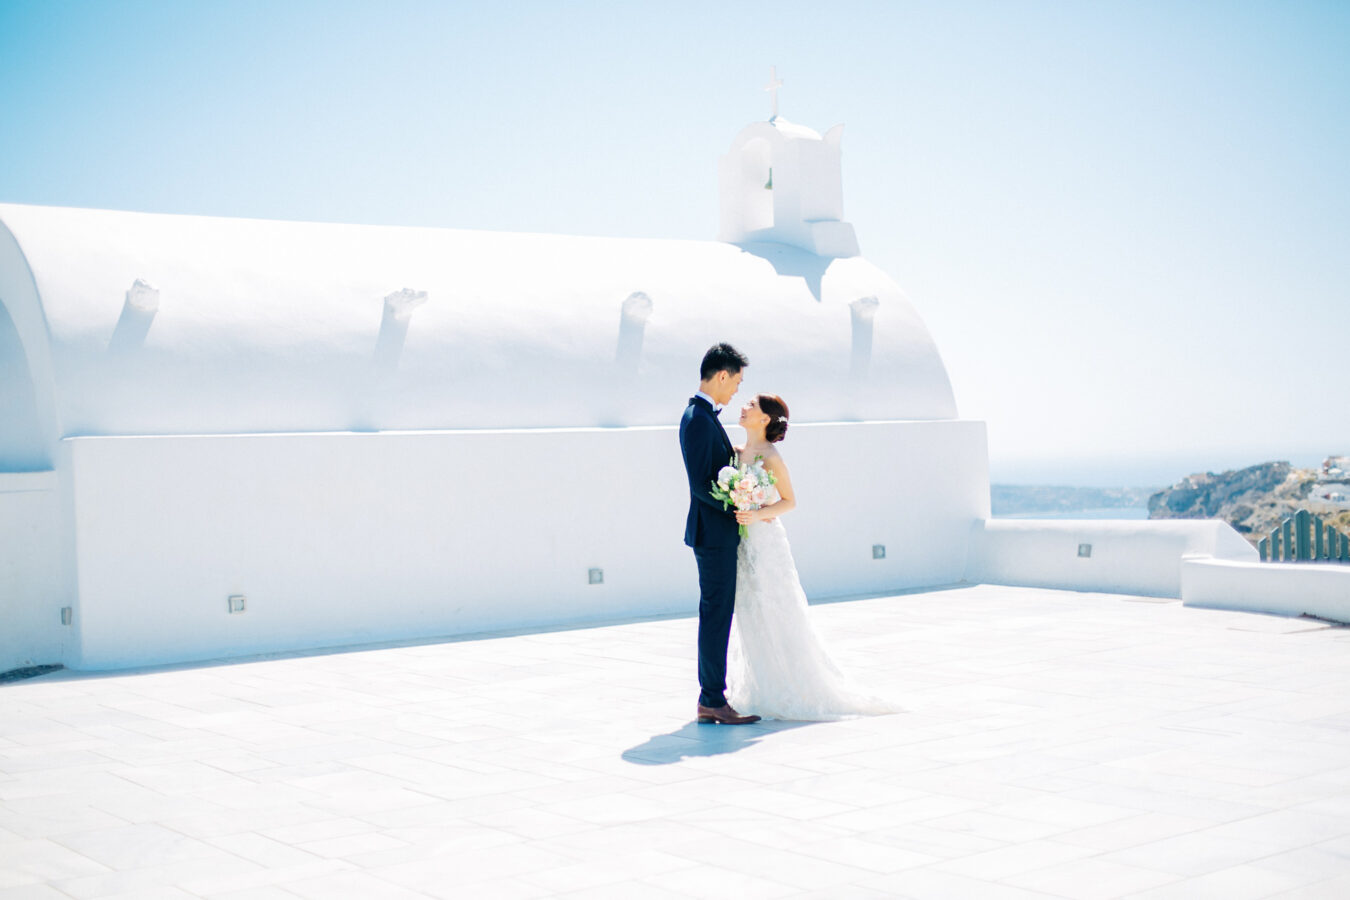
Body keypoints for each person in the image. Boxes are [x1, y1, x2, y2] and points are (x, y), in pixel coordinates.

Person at [727, 394, 899, 720]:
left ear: (765, 419)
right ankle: (762, 687)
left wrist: (758, 513)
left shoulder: (771, 457)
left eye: (751, 405)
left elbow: (789, 501)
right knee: (751, 612)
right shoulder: (736, 453)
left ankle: (793, 687)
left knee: (777, 609)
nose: (744, 408)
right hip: (742, 543)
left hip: (765, 542)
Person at [679, 343, 760, 725]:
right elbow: (700, 485)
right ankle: (712, 699)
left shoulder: (704, 416)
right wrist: (737, 505)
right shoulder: (697, 418)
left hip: (717, 533)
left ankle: (711, 698)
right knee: (716, 615)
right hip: (712, 535)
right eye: (737, 382)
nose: (737, 391)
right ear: (722, 375)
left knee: (717, 613)